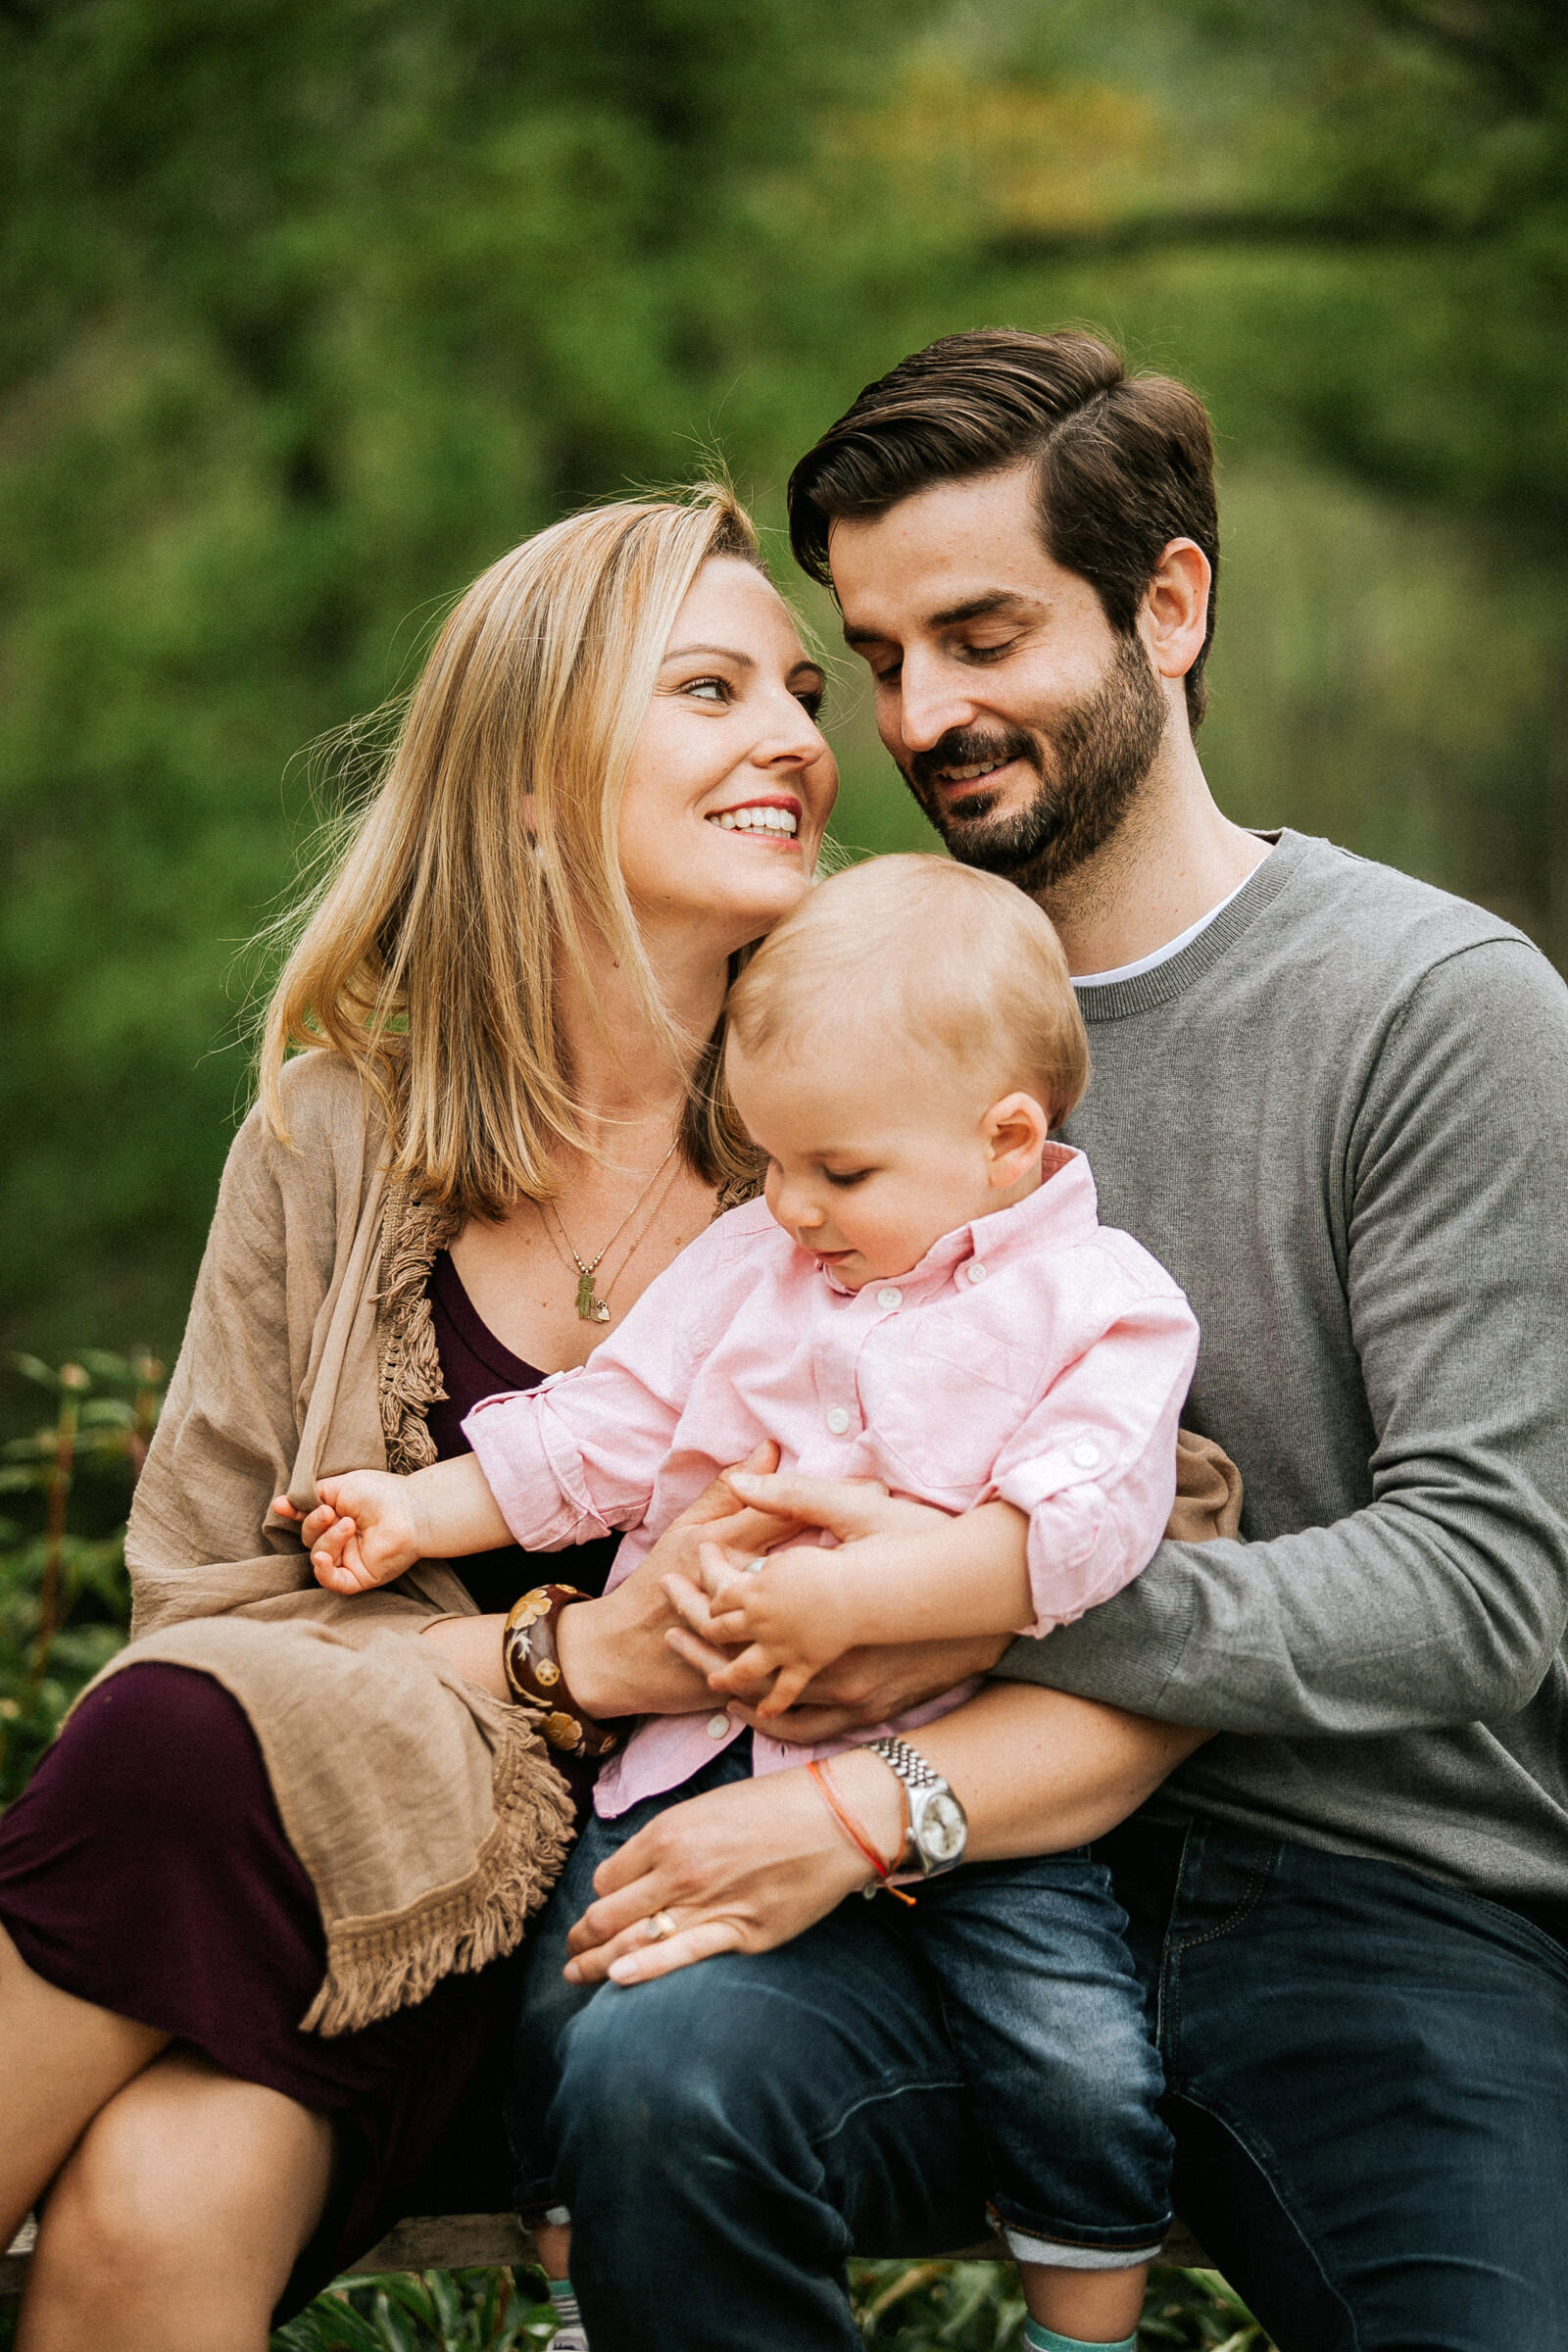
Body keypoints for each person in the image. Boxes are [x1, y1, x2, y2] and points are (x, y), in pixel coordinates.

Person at [533, 331, 1568, 2352]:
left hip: (1367, 1898)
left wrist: (955, 1599)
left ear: (1165, 605)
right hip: (912, 1887)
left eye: (982, 634)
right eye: (881, 654)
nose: (921, 713)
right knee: (660, 2089)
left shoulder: (1436, 1011)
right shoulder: (823, 1010)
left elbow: (1477, 1592)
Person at [0, 483, 878, 2347]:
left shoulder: (881, 1142)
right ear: (539, 771)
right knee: (149, 2213)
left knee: (165, 1753)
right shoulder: (337, 1132)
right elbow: (210, 1626)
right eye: (711, 690)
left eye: (801, 693)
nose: (801, 739)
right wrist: (576, 1657)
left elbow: (1051, 1512)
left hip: (695, 1934)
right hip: (354, 1912)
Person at [283, 852, 1209, 2352]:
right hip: (702, 1746)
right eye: (772, 1163)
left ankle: (1084, 2322)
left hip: (968, 1774)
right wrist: (414, 1508)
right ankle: (583, 2290)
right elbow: (609, 1427)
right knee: (575, 1974)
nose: (790, 1206)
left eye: (836, 1174)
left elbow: (1086, 1524)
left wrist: (861, 1603)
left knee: (1077, 2049)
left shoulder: (1100, 1304)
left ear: (1008, 1140)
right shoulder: (758, 1260)